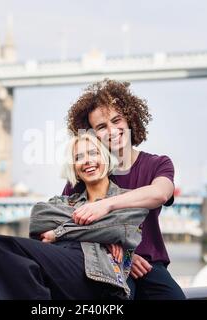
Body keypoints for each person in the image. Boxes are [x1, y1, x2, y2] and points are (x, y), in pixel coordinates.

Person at [0, 133, 148, 300]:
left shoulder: (125, 198)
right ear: (74, 168)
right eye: (79, 157)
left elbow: (122, 229)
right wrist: (99, 232)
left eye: (93, 153)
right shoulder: (64, 201)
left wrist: (57, 233)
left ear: (106, 159)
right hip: (58, 266)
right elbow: (38, 219)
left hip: (98, 276)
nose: (87, 161)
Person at [63, 79, 186, 300]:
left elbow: (160, 193)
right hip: (104, 263)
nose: (112, 130)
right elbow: (64, 225)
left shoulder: (158, 164)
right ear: (92, 134)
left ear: (129, 119)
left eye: (116, 120)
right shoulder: (87, 170)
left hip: (149, 266)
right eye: (101, 127)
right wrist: (126, 255)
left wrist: (106, 204)